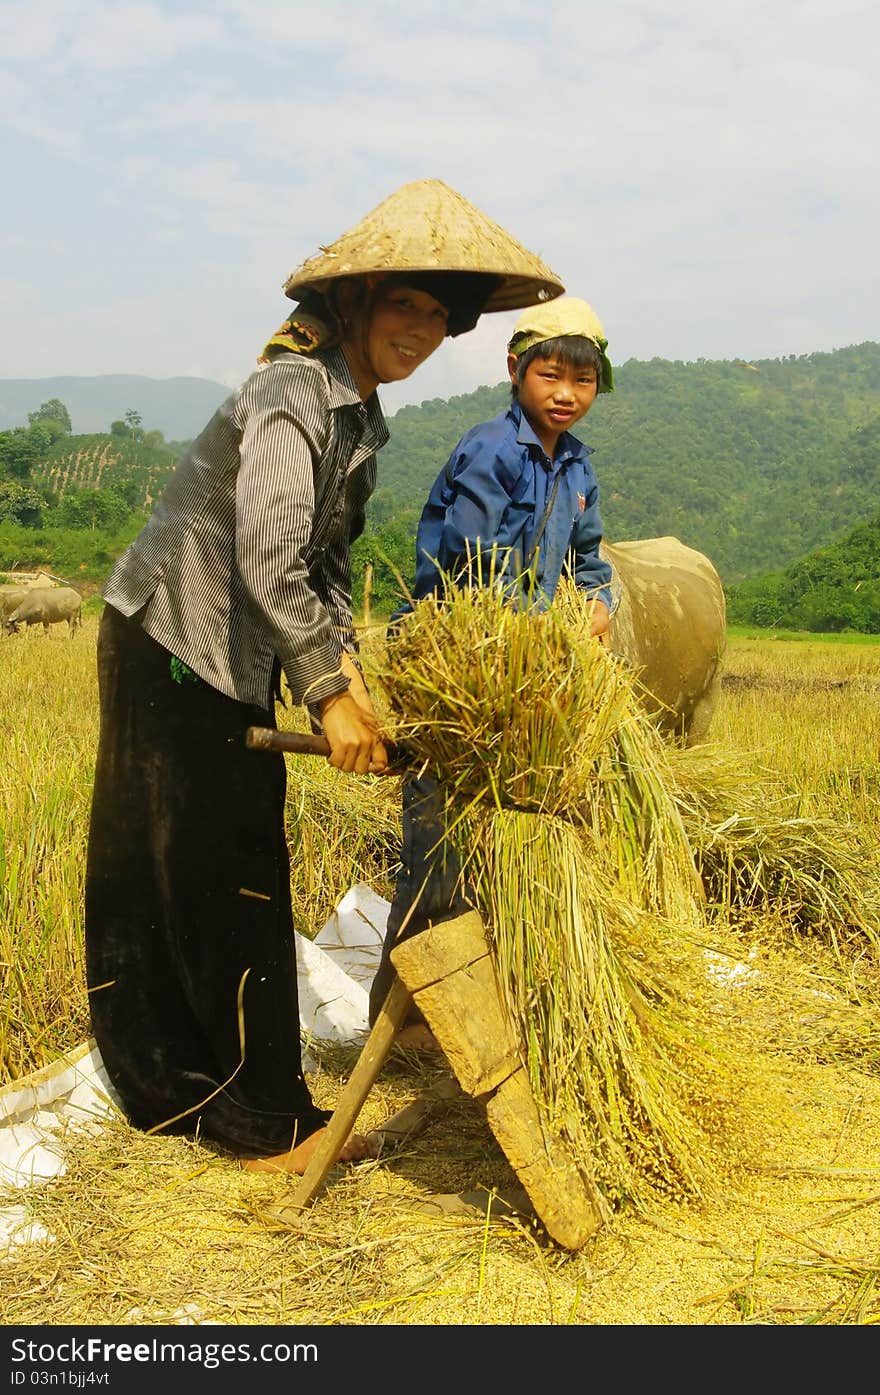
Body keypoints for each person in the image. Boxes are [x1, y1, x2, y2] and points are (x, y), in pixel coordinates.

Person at [84, 179, 565, 1175]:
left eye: (439, 316)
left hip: (226, 649)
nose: (423, 329)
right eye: (406, 306)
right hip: (170, 638)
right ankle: (238, 1116)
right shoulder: (291, 395)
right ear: (354, 304)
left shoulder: (359, 419)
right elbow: (265, 554)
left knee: (225, 864)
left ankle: (202, 1089)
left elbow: (325, 566)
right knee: (202, 872)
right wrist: (327, 693)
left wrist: (352, 673)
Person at [368, 296, 616, 1042]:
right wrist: (528, 641)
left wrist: (596, 605)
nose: (566, 392)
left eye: (583, 379)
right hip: (456, 672)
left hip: (525, 677)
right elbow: (474, 567)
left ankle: (486, 1002)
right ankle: (398, 1016)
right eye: (551, 373)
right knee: (437, 850)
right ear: (516, 371)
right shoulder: (491, 451)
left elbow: (590, 559)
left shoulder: (577, 468)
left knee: (506, 854)